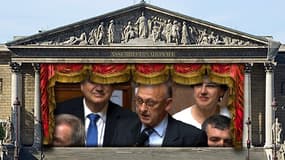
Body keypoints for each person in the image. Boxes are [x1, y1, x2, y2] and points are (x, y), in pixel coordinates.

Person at [112, 81, 207, 147]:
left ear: (167, 104)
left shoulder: (192, 138)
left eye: (150, 103)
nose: (142, 109)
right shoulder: (121, 129)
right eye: (139, 101)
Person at [54, 77, 137, 147]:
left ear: (112, 87)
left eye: (105, 81)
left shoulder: (131, 121)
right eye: (93, 81)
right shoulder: (58, 112)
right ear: (82, 85)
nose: (99, 88)